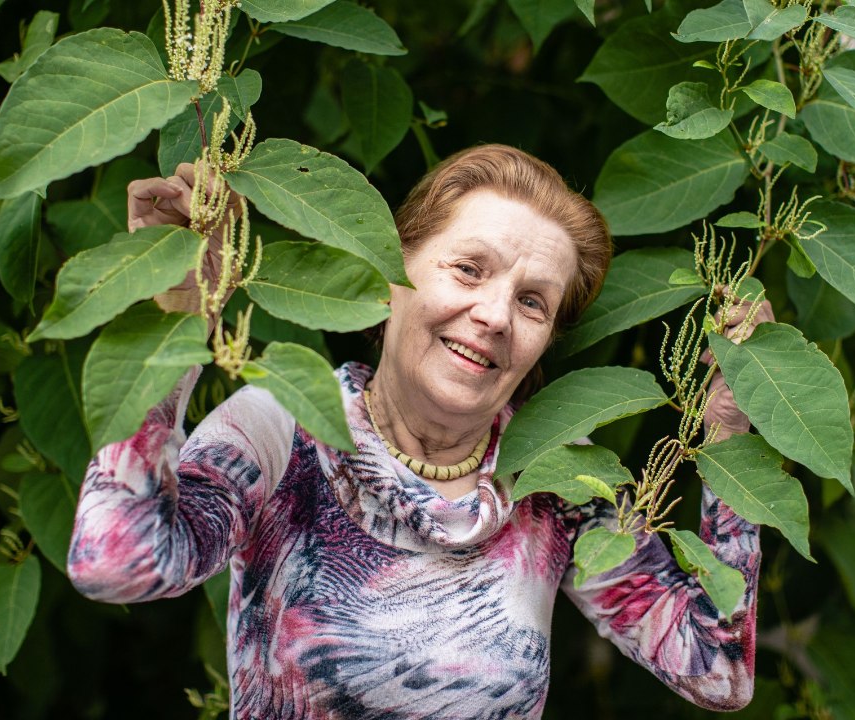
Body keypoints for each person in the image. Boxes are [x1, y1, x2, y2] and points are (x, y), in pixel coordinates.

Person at [67, 145, 765, 719]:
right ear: (393, 270)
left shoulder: (551, 477)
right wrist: (176, 323)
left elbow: (718, 671)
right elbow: (115, 560)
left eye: (532, 301)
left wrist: (731, 439)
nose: (495, 315)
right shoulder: (286, 426)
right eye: (469, 269)